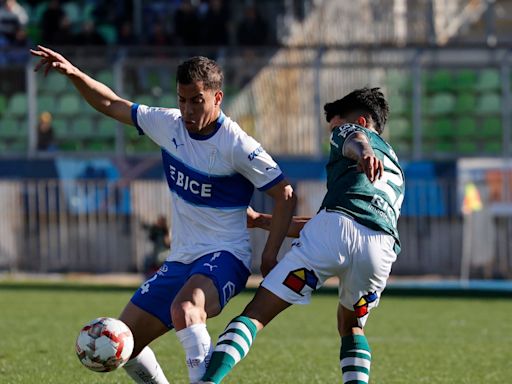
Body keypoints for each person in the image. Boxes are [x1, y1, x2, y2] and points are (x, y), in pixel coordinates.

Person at [30, 45, 296, 384]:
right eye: (182, 100)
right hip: (181, 258)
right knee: (124, 343)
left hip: (226, 255)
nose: (187, 109)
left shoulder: (237, 145)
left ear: (218, 98)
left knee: (185, 309)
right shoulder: (167, 124)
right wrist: (74, 74)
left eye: (196, 100)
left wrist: (270, 254)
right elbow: (112, 104)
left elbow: (285, 194)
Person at [199, 87, 405, 384]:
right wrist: (261, 221)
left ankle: (208, 381)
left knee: (256, 314)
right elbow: (334, 219)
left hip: (332, 235)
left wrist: (364, 151)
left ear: (361, 120)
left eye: (334, 127)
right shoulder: (396, 166)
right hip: (379, 251)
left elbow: (354, 140)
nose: (332, 135)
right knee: (352, 327)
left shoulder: (354, 134)